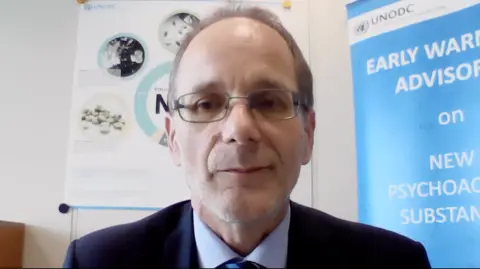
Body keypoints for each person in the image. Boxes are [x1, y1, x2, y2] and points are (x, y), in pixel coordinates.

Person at [63, 6, 432, 269]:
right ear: (173, 138)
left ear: (308, 133)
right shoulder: (98, 261)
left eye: (269, 101)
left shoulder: (394, 262)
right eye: (206, 104)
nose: (239, 130)